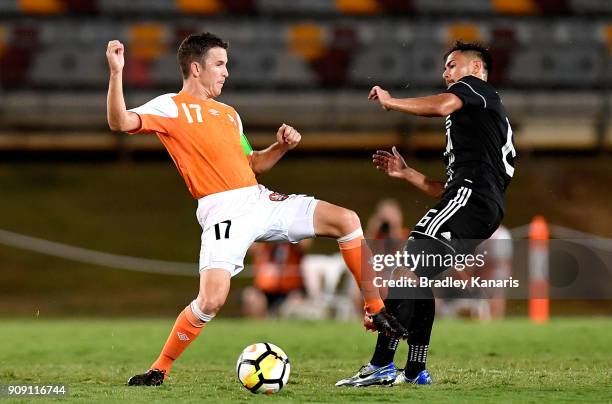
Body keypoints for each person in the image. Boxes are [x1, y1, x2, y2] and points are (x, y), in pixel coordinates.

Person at [105, 32, 407, 386]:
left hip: (258, 199)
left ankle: (375, 308)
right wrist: (116, 72)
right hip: (222, 211)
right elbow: (120, 122)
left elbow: (253, 164)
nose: (226, 73)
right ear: (196, 68)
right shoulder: (170, 106)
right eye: (220, 65)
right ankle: (160, 369)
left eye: (226, 65)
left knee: (346, 220)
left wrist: (280, 147)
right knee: (212, 300)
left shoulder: (230, 115)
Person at [336, 41, 516, 387]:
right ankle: (416, 370)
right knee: (419, 280)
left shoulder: (474, 90)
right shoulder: (478, 117)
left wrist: (391, 103)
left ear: (476, 69)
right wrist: (408, 174)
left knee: (406, 270)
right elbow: (447, 189)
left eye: (452, 65)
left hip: (472, 198)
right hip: (481, 205)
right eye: (445, 67)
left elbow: (441, 104)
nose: (446, 72)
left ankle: (381, 364)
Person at [241, 241, 309, 318]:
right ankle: (256, 328)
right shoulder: (262, 242)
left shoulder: (293, 243)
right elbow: (250, 247)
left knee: (295, 304)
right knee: (251, 296)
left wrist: (286, 234)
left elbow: (305, 244)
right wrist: (268, 234)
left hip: (290, 291)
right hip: (264, 291)